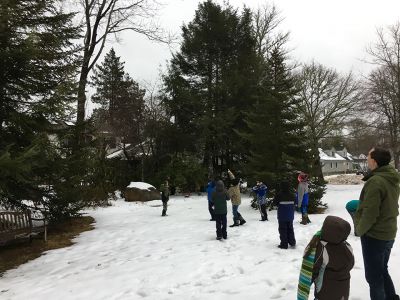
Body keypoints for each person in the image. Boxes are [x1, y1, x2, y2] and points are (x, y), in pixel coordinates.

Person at [354, 147, 400, 300]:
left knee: (374, 278)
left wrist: (359, 230)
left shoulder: (376, 181)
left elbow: (370, 213)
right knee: (382, 270)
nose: (366, 157)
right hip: (388, 233)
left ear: (374, 160)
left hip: (375, 236)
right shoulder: (390, 177)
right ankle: (392, 297)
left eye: (368, 155)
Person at [297, 216, 354, 300]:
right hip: (343, 290)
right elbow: (351, 264)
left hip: (324, 292)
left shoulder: (320, 248)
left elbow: (308, 274)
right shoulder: (347, 246)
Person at [273, 181, 296, 249]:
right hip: (290, 215)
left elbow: (275, 203)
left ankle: (284, 244)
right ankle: (292, 242)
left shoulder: (279, 195)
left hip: (282, 215)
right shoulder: (292, 195)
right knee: (290, 228)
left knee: (282, 229)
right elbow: (295, 203)